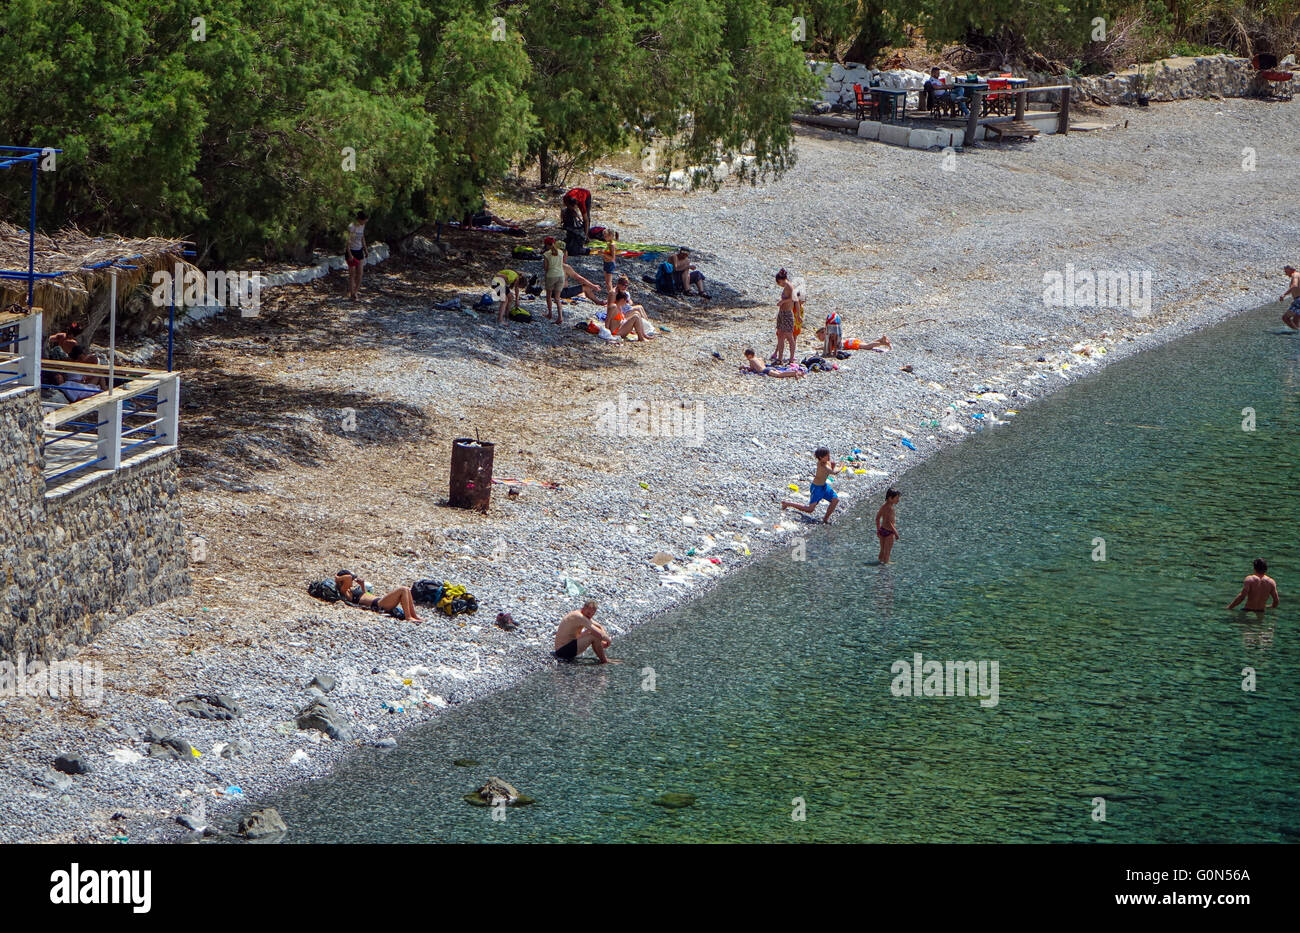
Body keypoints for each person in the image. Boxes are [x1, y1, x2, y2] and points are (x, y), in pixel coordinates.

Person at [778, 447, 841, 523]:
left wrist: (833, 465)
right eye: (827, 456)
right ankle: (787, 503)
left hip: (824, 486)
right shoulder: (822, 464)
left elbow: (829, 470)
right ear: (821, 458)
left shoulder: (826, 462)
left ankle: (825, 519)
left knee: (835, 500)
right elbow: (833, 472)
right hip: (817, 488)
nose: (829, 457)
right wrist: (841, 467)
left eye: (829, 455)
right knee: (810, 509)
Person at [334, 570, 425, 622]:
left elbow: (364, 595)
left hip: (379, 601)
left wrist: (362, 585)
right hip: (378, 604)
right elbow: (349, 577)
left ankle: (414, 616)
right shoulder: (345, 591)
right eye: (351, 579)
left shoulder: (350, 591)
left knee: (406, 590)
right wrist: (338, 578)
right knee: (403, 589)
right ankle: (408, 617)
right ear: (343, 581)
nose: (352, 580)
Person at [773, 269, 796, 365]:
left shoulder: (790, 286)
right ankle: (780, 358)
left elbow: (794, 298)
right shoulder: (786, 287)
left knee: (789, 337)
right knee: (780, 335)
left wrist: (783, 301)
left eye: (779, 282)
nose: (780, 285)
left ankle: (791, 358)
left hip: (787, 313)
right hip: (782, 313)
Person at [541, 237, 566, 324]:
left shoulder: (547, 254)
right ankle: (560, 317)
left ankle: (550, 313)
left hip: (551, 275)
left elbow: (546, 268)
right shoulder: (561, 252)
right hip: (561, 275)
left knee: (548, 295)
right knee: (557, 298)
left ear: (547, 245)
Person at [875, 488, 902, 564]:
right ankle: (885, 569)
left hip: (882, 530)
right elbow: (889, 522)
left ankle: (880, 563)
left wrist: (878, 530)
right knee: (887, 553)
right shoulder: (890, 509)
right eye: (897, 498)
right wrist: (895, 532)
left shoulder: (883, 506)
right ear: (890, 498)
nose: (898, 500)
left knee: (882, 551)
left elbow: (877, 518)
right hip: (889, 532)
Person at [345, 211, 368, 300]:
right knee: (352, 273)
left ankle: (356, 291)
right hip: (351, 251)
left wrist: (365, 249)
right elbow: (347, 242)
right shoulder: (351, 227)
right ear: (359, 219)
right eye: (364, 221)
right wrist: (350, 254)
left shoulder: (363, 226)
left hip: (359, 250)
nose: (364, 222)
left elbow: (362, 237)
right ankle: (352, 293)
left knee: (360, 273)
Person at [1280, 265, 1300, 330]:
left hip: (1298, 300)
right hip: (1298, 299)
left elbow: (1294, 285)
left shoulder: (1295, 275)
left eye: (1286, 271)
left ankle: (1296, 332)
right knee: (1295, 320)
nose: (1285, 273)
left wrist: (1284, 295)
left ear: (1290, 269)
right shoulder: (1298, 275)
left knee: (1285, 318)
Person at [601, 229, 619, 296]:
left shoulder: (612, 245)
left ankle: (611, 296)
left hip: (609, 264)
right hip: (606, 263)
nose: (604, 237)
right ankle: (611, 295)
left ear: (610, 236)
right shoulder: (608, 243)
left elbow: (612, 257)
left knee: (608, 283)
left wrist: (603, 254)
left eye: (606, 236)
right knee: (607, 282)